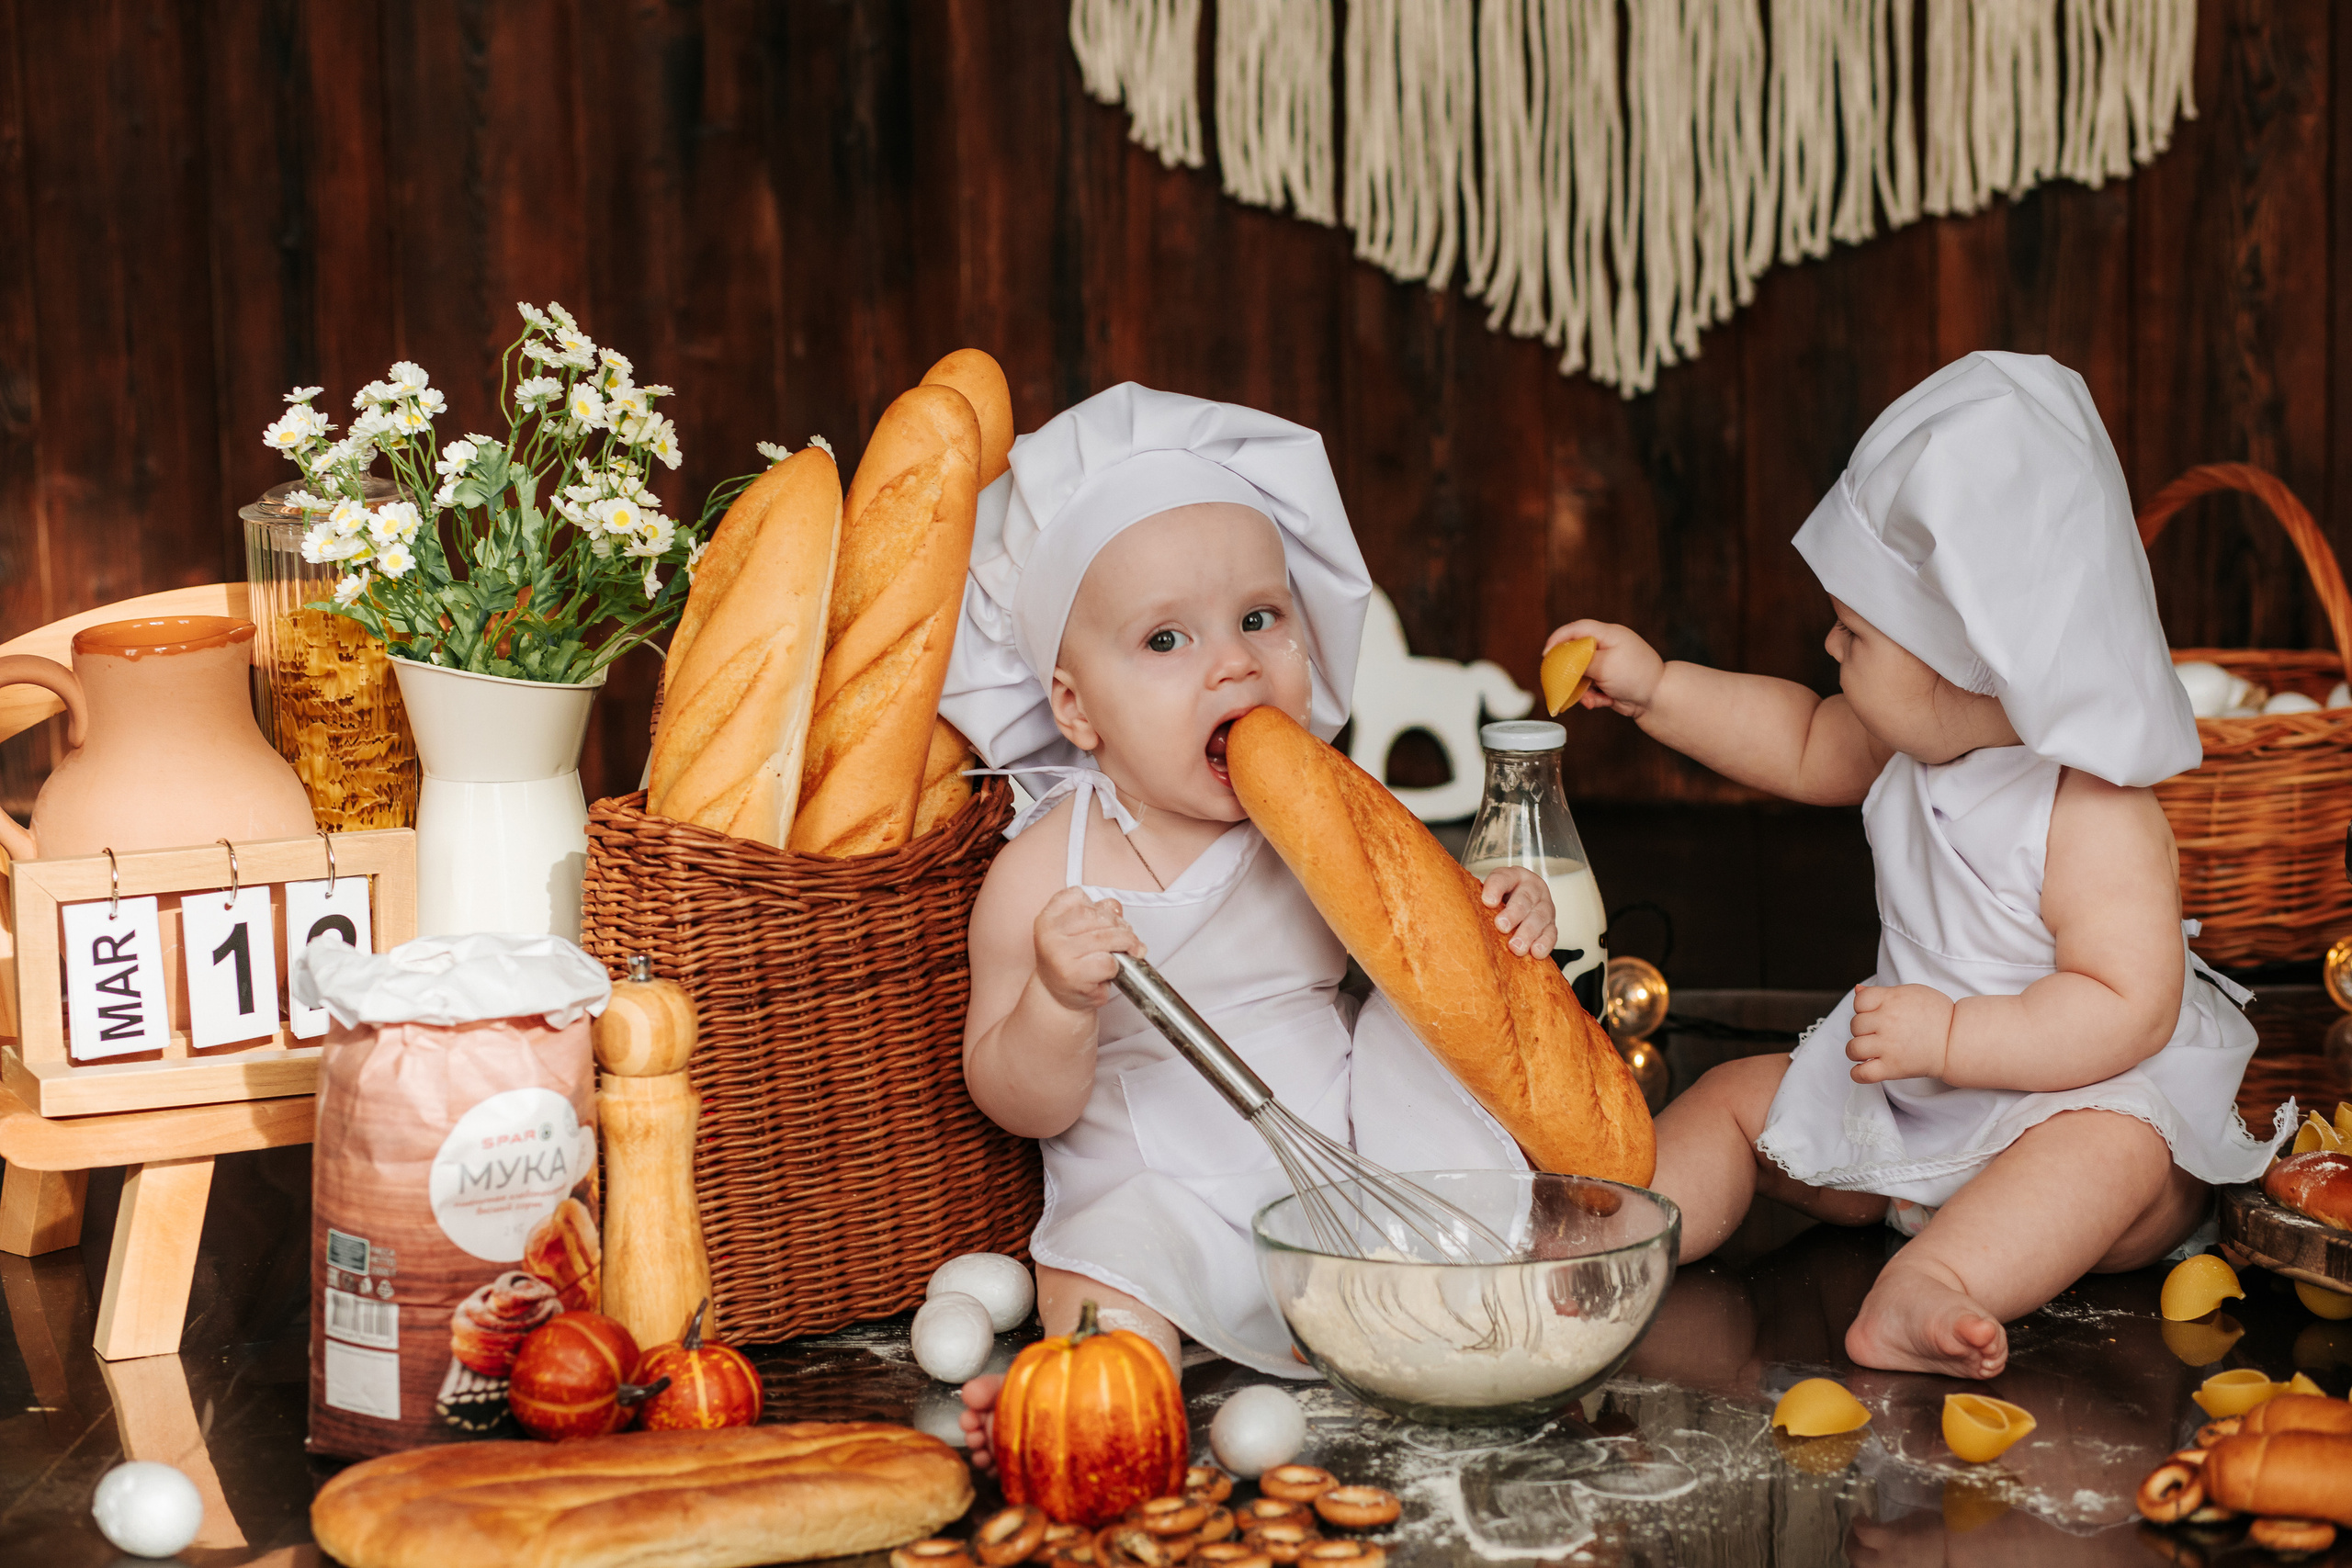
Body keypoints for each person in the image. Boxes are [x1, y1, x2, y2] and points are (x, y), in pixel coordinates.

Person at [1548, 352, 2290, 1381]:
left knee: (2112, 1157)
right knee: (1731, 1097)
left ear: (1971, 659)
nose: (1827, 643)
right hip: (1910, 1094)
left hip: (2065, 1101)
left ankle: (1933, 1285)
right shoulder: (1909, 738)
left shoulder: (2090, 808)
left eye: (1854, 631)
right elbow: (1796, 734)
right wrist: (1659, 688)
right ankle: (1620, 1234)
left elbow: (2129, 1005)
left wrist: (1954, 1034)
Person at [937, 384, 1554, 1455]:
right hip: (1158, 1189)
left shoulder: (1325, 821)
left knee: (1415, 1040)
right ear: (1074, 708)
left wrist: (1504, 918)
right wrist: (1053, 1000)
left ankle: (1444, 1297)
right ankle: (1097, 1396)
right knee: (1102, 1257)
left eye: (1260, 620)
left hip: (1343, 1170)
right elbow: (1013, 1102)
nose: (1232, 662)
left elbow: (1429, 949)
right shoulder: (1049, 870)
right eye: (1166, 638)